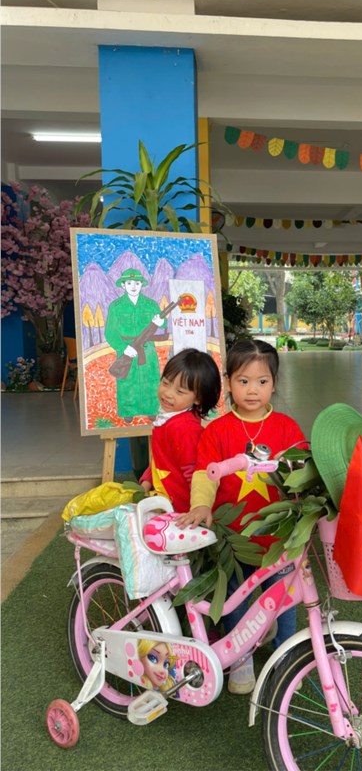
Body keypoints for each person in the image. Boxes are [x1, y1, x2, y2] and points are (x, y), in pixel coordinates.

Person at [177, 339, 306, 695]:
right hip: (233, 539)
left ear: (274, 384)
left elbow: (302, 468)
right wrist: (201, 505)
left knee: (284, 598)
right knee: (233, 598)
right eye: (243, 381)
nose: (252, 390)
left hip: (278, 539)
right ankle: (240, 658)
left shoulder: (286, 427)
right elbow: (204, 474)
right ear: (229, 382)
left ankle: (285, 656)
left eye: (262, 381)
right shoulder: (217, 430)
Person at [139, 348, 221, 512]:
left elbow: (195, 474)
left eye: (180, 391)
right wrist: (145, 484)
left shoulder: (184, 429)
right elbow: (161, 458)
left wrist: (198, 509)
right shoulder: (169, 418)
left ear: (198, 398)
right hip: (166, 502)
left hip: (182, 511)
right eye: (165, 383)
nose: (168, 393)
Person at [104, 268, 164, 421]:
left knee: (150, 379)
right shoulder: (116, 306)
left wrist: (161, 322)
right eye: (129, 283)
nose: (133, 286)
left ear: (142, 284)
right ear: (123, 285)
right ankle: (128, 412)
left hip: (147, 349)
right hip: (126, 348)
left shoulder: (151, 305)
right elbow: (110, 332)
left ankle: (152, 409)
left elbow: (164, 325)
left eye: (137, 283)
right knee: (127, 381)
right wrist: (124, 348)